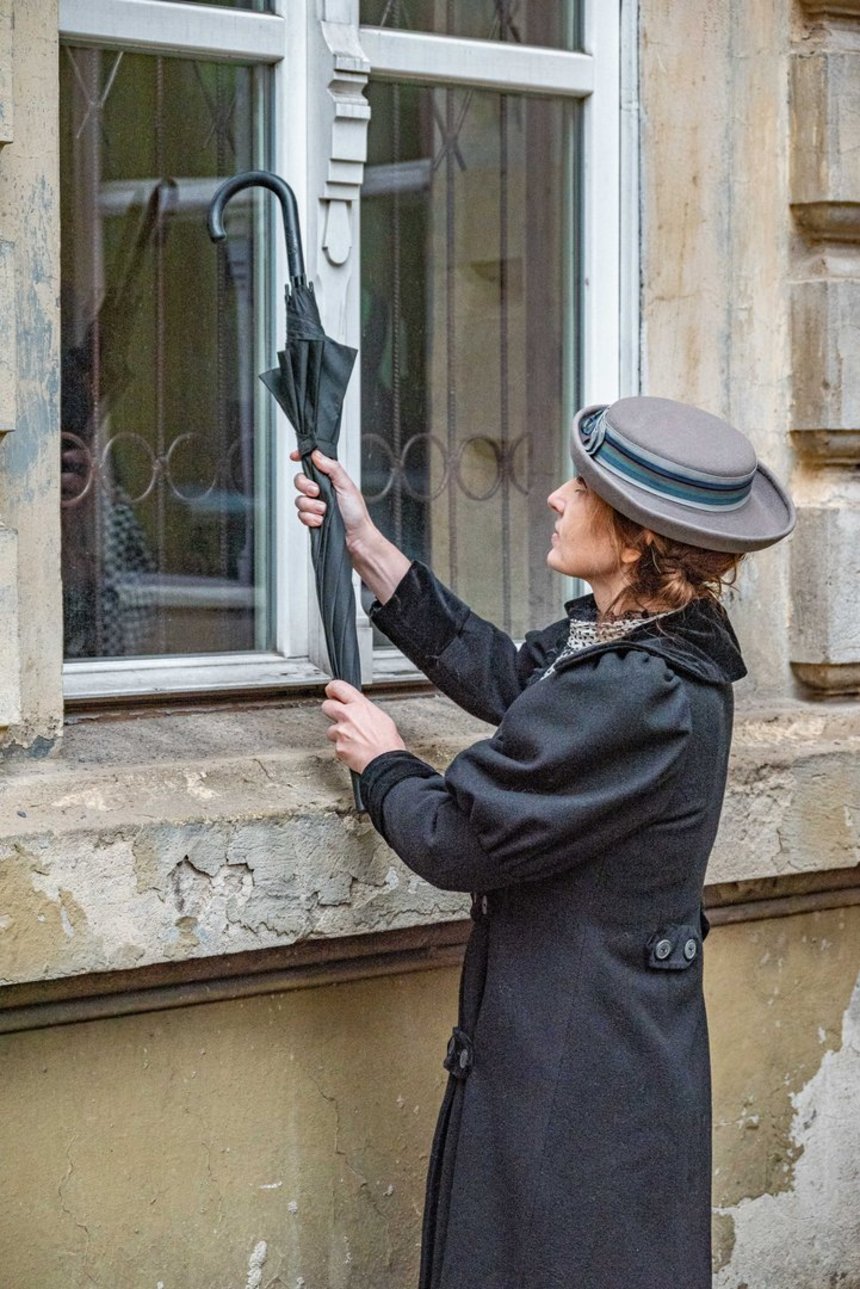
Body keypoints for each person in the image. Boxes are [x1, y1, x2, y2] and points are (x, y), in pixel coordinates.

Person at [292, 396, 795, 1289]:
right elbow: (515, 679)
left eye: (583, 487)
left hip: (582, 1079)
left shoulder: (639, 690)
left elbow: (460, 835)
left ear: (637, 539)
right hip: (594, 1052)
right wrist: (367, 547)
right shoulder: (644, 645)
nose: (557, 498)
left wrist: (386, 763)